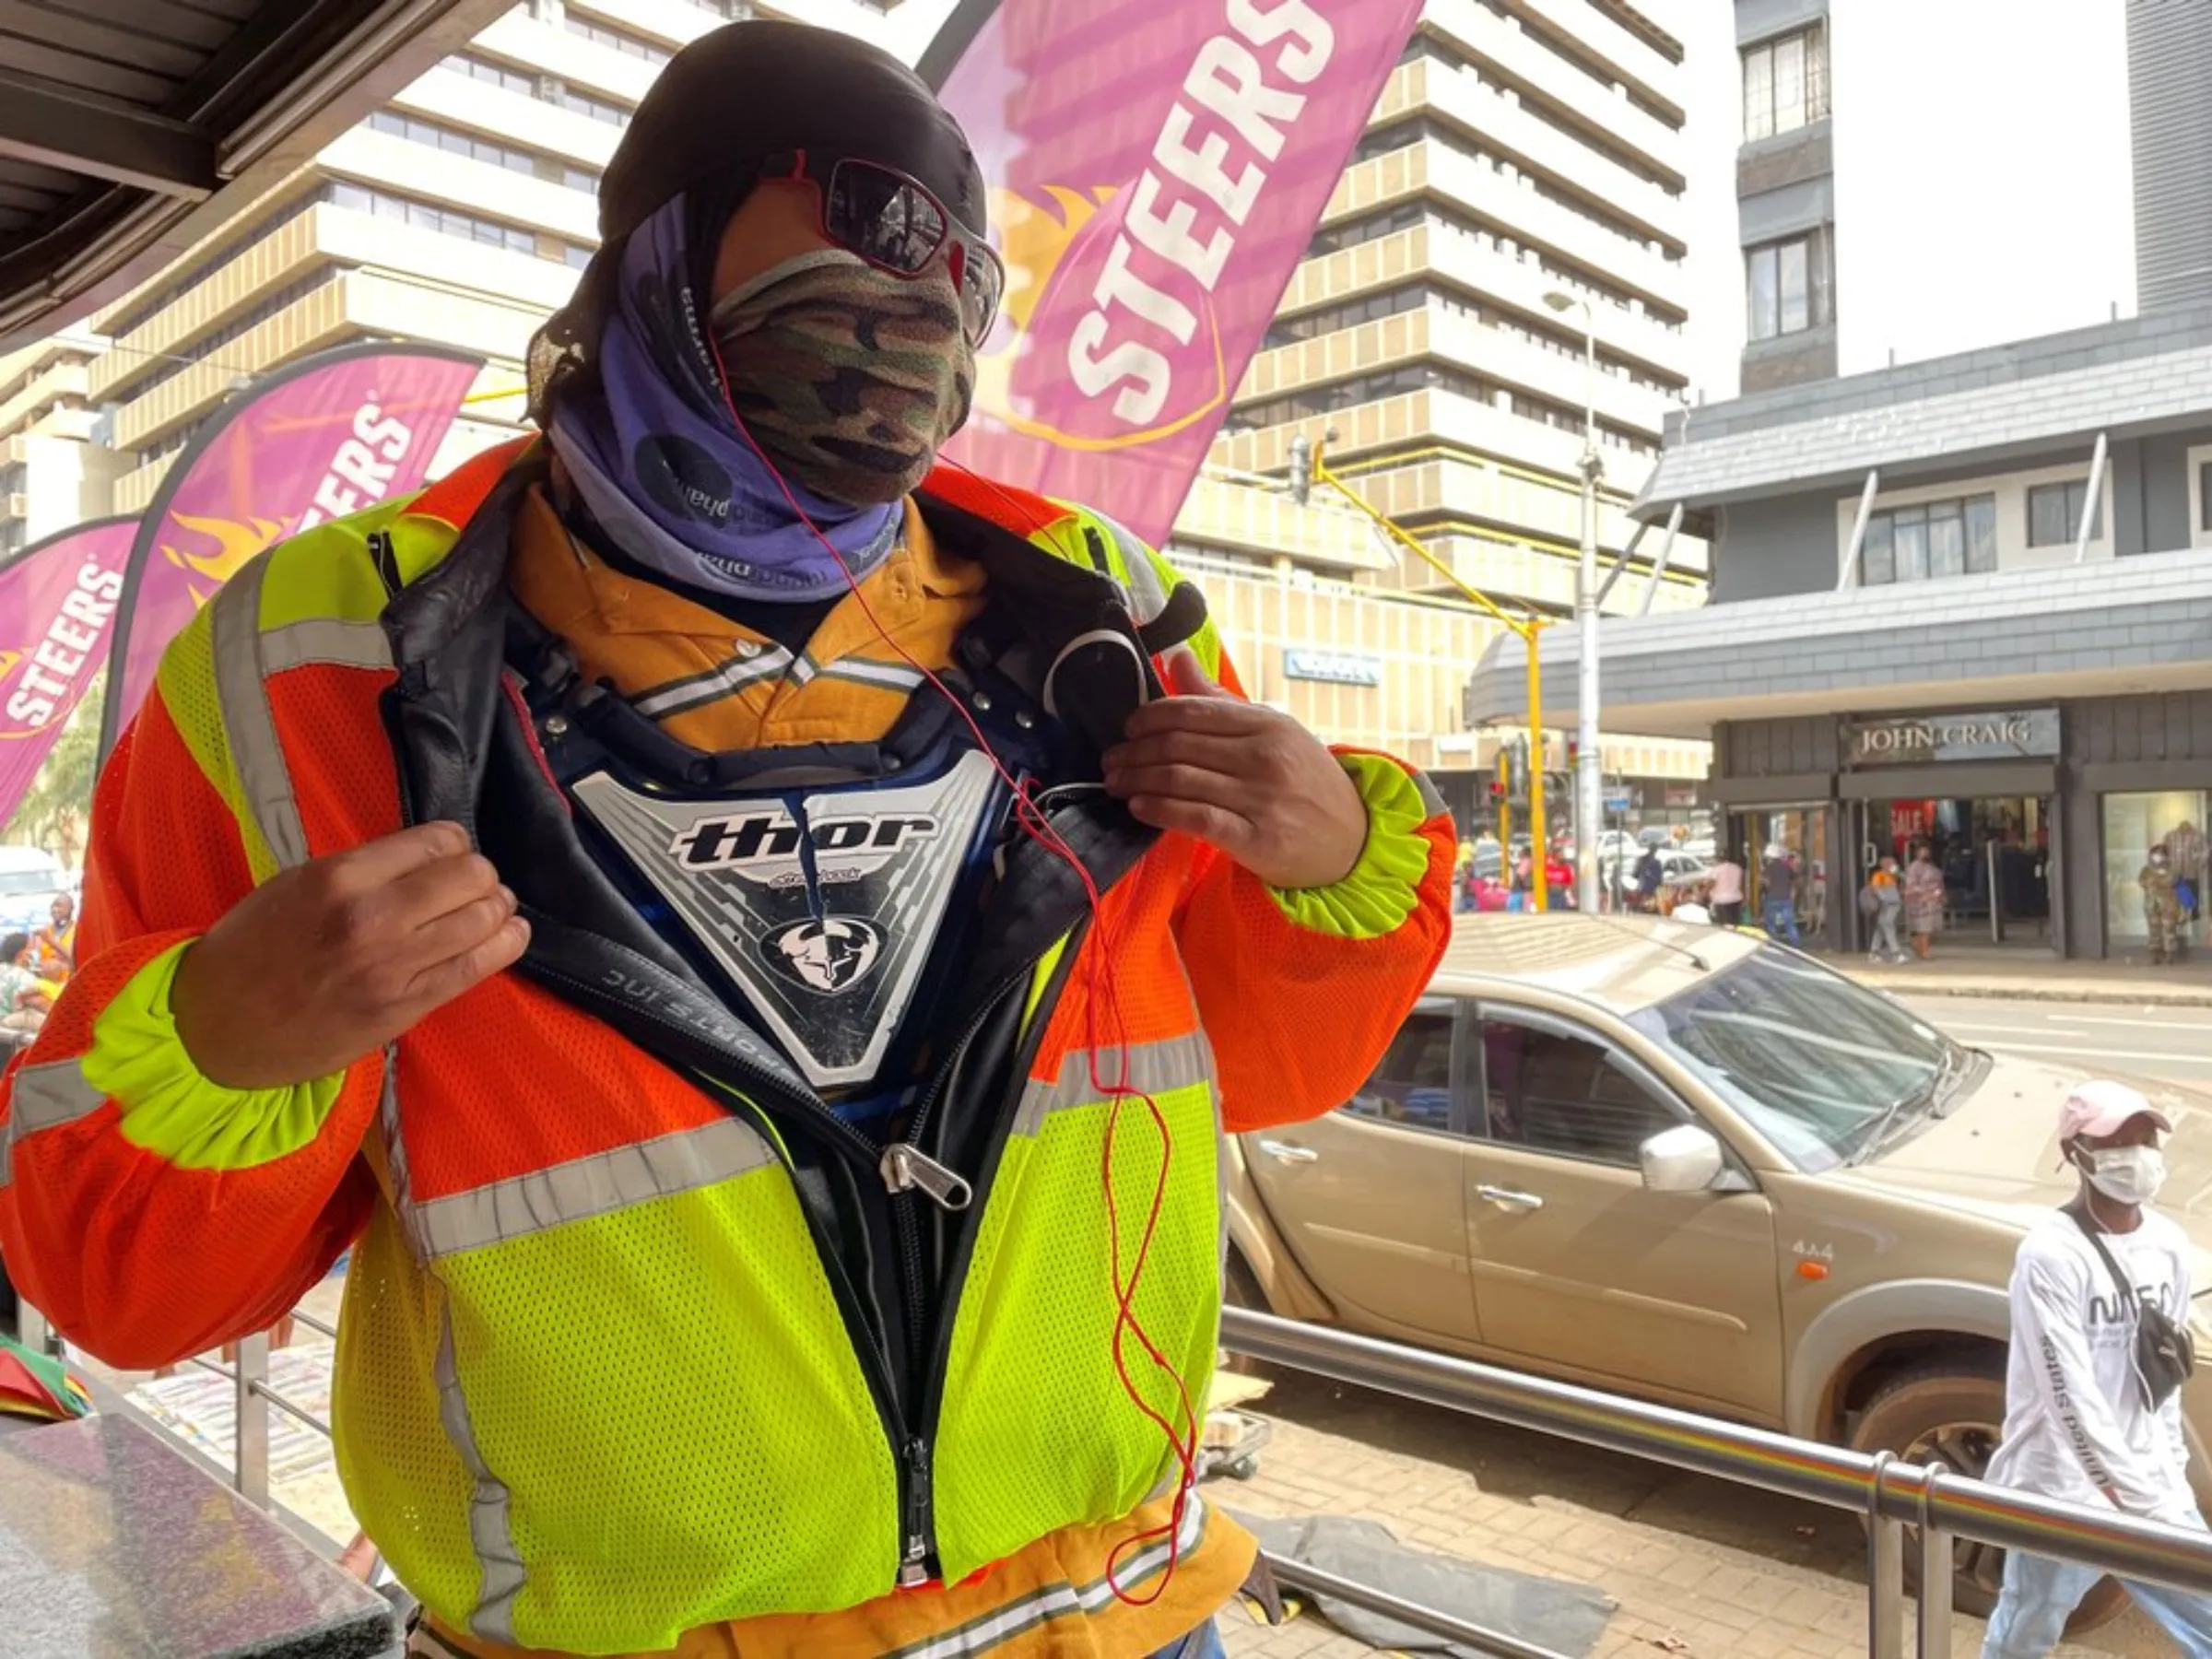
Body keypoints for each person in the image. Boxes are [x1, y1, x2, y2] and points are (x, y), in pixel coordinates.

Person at [0, 25, 1454, 1659]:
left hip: (1121, 1610)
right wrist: (219, 1041)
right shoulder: (321, 659)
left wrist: (1333, 866)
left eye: (948, 287)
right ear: (659, 266)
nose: (903, 329)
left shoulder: (1094, 613)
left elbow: (1259, 1067)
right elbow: (130, 1292)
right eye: (841, 260)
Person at [1981, 1081, 2212, 1658]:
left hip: (2150, 1489)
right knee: (2025, 1633)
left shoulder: (2168, 1245)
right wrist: (2125, 1491)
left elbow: (2162, 1372)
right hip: (2061, 1489)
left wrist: (2167, 1472)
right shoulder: (2050, 1255)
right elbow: (2068, 1394)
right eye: (2116, 1140)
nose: (2136, 1153)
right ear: (2075, 1153)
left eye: (2144, 1138)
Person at [2142, 844, 2188, 966]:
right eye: (2155, 854)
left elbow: (2176, 884)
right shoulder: (2146, 870)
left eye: (2160, 854)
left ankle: (2170, 956)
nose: (2157, 857)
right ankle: (2155, 956)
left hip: (2169, 905)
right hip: (2152, 905)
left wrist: (2185, 908)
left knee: (2169, 930)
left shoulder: (2173, 871)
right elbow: (2143, 883)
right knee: (2154, 930)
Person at [1904, 841, 1946, 959]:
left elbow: (1940, 883)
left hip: (1934, 899)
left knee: (1934, 929)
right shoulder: (1913, 868)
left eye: (1927, 852)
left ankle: (1917, 944)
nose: (1925, 854)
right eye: (1922, 852)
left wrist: (1939, 894)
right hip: (1920, 901)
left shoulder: (1932, 867)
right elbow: (1911, 885)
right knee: (1924, 928)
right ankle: (1924, 950)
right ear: (1917, 854)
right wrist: (1924, 893)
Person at [1864, 857, 1907, 964]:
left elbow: (1906, 878)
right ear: (1885, 865)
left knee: (1881, 928)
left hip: (1894, 904)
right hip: (1887, 905)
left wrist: (1898, 873)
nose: (1893, 865)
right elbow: (1876, 888)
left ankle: (1874, 953)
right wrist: (1883, 900)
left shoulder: (1893, 876)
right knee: (1888, 925)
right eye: (1891, 864)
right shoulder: (1879, 875)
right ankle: (1896, 953)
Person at [27, 892, 74, 981]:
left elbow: (77, 960)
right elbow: (34, 961)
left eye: (59, 906)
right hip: (47, 984)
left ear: (70, 908)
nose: (54, 909)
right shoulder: (44, 930)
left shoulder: (78, 930)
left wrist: (51, 941)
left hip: (69, 983)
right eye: (52, 906)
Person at [1760, 846, 1802, 946]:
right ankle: (1796, 943)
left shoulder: (1769, 868)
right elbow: (1796, 879)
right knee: (1789, 924)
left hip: (1772, 899)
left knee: (1771, 924)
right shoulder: (1787, 867)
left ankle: (1775, 944)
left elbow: (1764, 881)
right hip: (1786, 899)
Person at [1706, 847, 1747, 928]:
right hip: (1736, 900)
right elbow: (1741, 886)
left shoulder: (1716, 870)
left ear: (1719, 858)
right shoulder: (1737, 868)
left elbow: (1711, 884)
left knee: (1723, 926)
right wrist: (1745, 899)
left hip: (1721, 901)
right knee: (1735, 924)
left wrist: (1705, 893)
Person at [1633, 846, 1664, 914]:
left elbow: (1636, 873)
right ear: (1655, 851)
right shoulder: (1657, 862)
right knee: (1650, 900)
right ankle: (1647, 909)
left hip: (1643, 885)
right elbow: (1659, 877)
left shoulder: (1642, 859)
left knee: (1645, 900)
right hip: (1650, 886)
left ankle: (1644, 909)